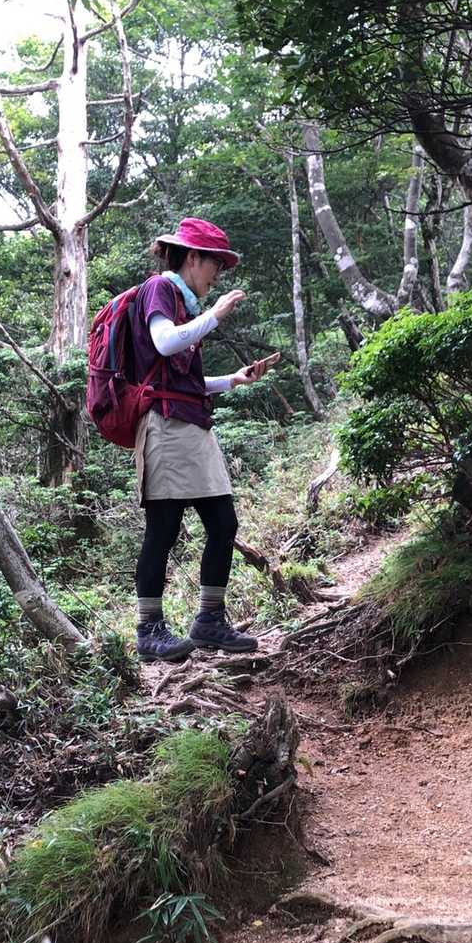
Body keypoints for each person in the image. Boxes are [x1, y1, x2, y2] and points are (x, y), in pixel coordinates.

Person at [130, 216, 278, 663]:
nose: (218, 275)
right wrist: (213, 316)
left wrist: (232, 380)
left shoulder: (184, 303)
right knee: (163, 529)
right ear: (193, 257)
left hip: (192, 423)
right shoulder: (160, 288)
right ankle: (148, 630)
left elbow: (184, 380)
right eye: (216, 264)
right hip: (165, 427)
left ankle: (209, 620)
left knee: (223, 523)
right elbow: (163, 343)